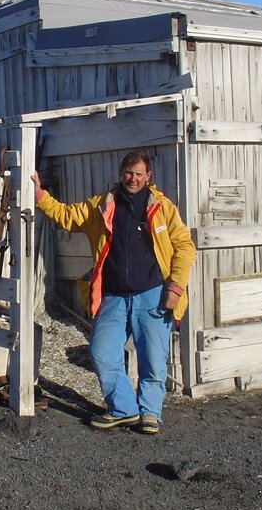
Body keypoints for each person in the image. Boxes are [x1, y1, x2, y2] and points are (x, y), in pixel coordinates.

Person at [32, 150, 196, 434]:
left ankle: (150, 414)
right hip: (114, 296)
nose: (133, 179)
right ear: (121, 173)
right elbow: (68, 216)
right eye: (128, 173)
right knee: (101, 352)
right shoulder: (103, 205)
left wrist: (175, 287)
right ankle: (124, 409)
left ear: (148, 176)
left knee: (153, 359)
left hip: (153, 295)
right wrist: (39, 196)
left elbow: (185, 246)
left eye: (138, 174)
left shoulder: (163, 207)